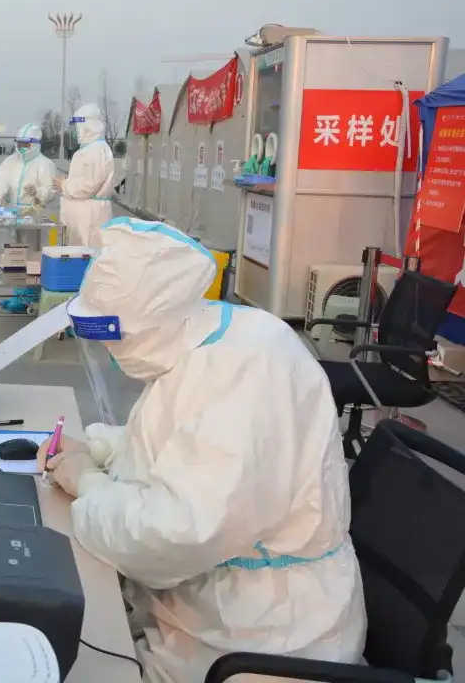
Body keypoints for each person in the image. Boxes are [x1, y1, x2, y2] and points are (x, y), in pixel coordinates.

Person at [38, 218, 366, 683]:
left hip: (261, 636)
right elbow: (175, 439)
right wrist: (98, 447)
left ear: (150, 321)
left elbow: (175, 534)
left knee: (79, 663)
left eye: (112, 335)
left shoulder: (244, 374)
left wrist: (88, 482)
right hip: (211, 603)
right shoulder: (209, 336)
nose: (109, 350)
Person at [0, 123, 57, 312]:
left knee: (33, 257)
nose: (22, 147)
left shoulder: (45, 164)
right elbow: (1, 181)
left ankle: (31, 296)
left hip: (35, 215)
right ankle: (19, 295)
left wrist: (38, 193)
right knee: (15, 256)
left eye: (26, 144)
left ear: (35, 144)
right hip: (13, 215)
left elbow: (50, 191)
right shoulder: (10, 162)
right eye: (19, 143)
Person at [54, 103, 116, 246]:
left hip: (89, 217)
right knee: (77, 254)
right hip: (83, 216)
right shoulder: (86, 150)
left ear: (86, 126)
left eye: (77, 126)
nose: (75, 131)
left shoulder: (96, 150)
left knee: (88, 253)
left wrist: (64, 184)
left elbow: (89, 185)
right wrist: (65, 183)